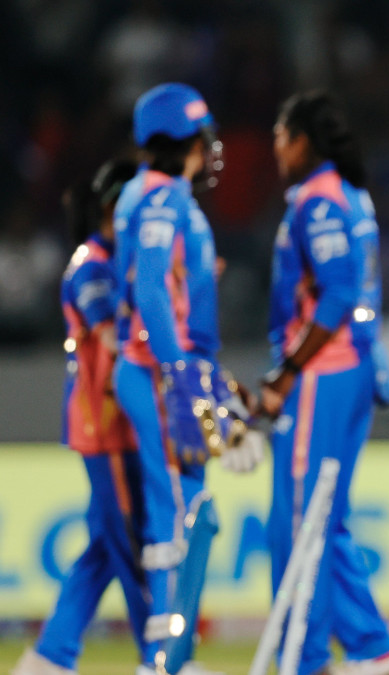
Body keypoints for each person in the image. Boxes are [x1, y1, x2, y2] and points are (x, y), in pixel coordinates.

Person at [112, 83, 260, 675]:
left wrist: (205, 380)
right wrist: (178, 375)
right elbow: (149, 289)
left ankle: (178, 655)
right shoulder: (158, 197)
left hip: (175, 370)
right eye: (203, 136)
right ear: (188, 140)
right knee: (173, 509)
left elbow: (171, 291)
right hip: (157, 373)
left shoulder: (159, 195)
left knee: (194, 508)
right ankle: (160, 659)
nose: (210, 147)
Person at [257, 90, 389, 675]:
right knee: (326, 517)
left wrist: (288, 369)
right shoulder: (351, 194)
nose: (274, 147)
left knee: (297, 518)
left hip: (323, 371)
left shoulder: (317, 201)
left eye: (279, 135)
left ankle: (305, 657)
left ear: (301, 141)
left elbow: (339, 292)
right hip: (355, 365)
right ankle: (372, 646)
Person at [12, 160, 148, 675]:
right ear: (116, 209)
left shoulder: (112, 260)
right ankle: (158, 656)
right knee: (130, 543)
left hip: (117, 423)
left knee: (104, 546)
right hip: (105, 426)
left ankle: (51, 655)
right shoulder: (92, 266)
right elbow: (112, 339)